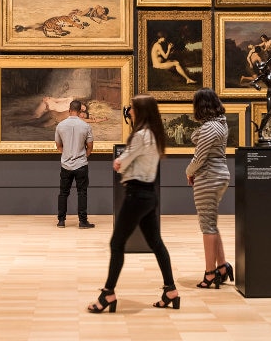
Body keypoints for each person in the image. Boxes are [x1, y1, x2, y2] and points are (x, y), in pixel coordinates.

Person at [88, 94, 179, 313]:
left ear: (141, 111)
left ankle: (108, 293)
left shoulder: (141, 136)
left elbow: (121, 162)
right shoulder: (154, 134)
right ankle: (171, 290)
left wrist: (119, 162)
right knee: (156, 242)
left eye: (132, 108)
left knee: (117, 243)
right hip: (148, 196)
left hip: (136, 195)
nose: (129, 111)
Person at [186, 88, 233, 289]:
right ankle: (222, 266)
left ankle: (210, 273)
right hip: (218, 175)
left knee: (207, 226)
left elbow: (199, 157)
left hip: (209, 177)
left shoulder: (209, 128)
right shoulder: (220, 124)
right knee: (211, 223)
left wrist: (188, 172)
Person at [55, 99, 95, 229]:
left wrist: (66, 153)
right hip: (81, 164)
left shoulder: (60, 125)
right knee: (82, 193)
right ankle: (83, 222)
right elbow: (90, 146)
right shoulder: (86, 126)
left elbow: (58, 145)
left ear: (69, 110)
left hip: (66, 164)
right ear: (80, 111)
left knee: (63, 193)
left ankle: (61, 221)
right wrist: (85, 155)